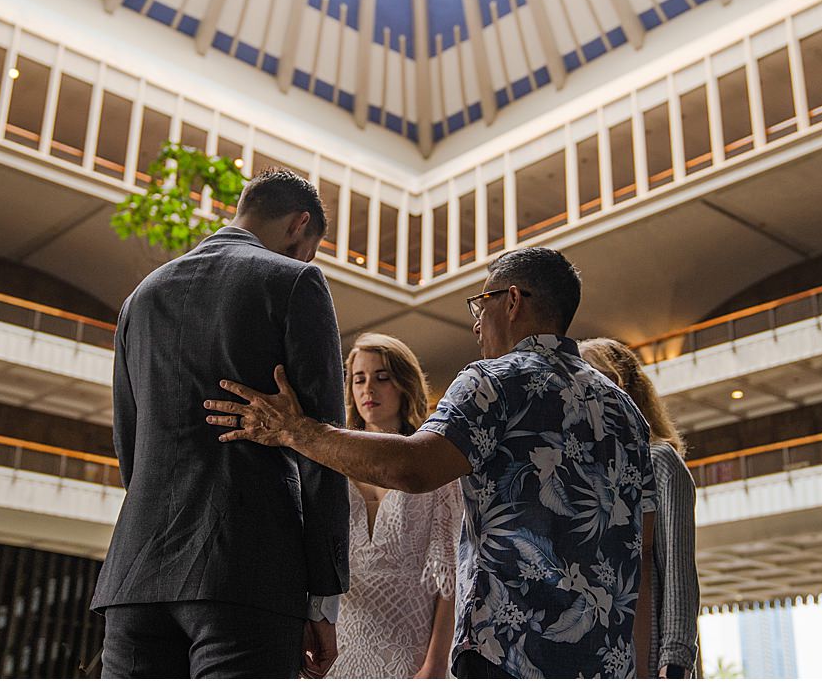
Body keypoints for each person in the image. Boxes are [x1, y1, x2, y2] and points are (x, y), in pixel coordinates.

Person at [205, 247, 653, 678]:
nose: (476, 323)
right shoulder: (625, 411)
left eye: (482, 304)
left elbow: (414, 467)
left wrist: (294, 430)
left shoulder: (491, 382)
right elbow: (642, 550)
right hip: (604, 660)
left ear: (512, 300)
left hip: (510, 652)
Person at [90, 169, 349, 678]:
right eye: (309, 247)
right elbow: (324, 448)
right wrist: (322, 598)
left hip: (136, 577)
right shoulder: (294, 281)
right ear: (300, 225)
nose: (305, 259)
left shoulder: (140, 298)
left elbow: (130, 448)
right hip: (248, 571)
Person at [326, 333, 460, 679]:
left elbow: (450, 577)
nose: (368, 388)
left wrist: (436, 663)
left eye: (382, 377)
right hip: (339, 647)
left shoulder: (434, 466)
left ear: (404, 384)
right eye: (360, 378)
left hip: (410, 651)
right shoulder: (332, 467)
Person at [580, 338, 699, 679]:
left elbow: (678, 569)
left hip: (647, 652)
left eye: (598, 378)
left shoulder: (660, 461)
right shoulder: (583, 471)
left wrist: (674, 658)